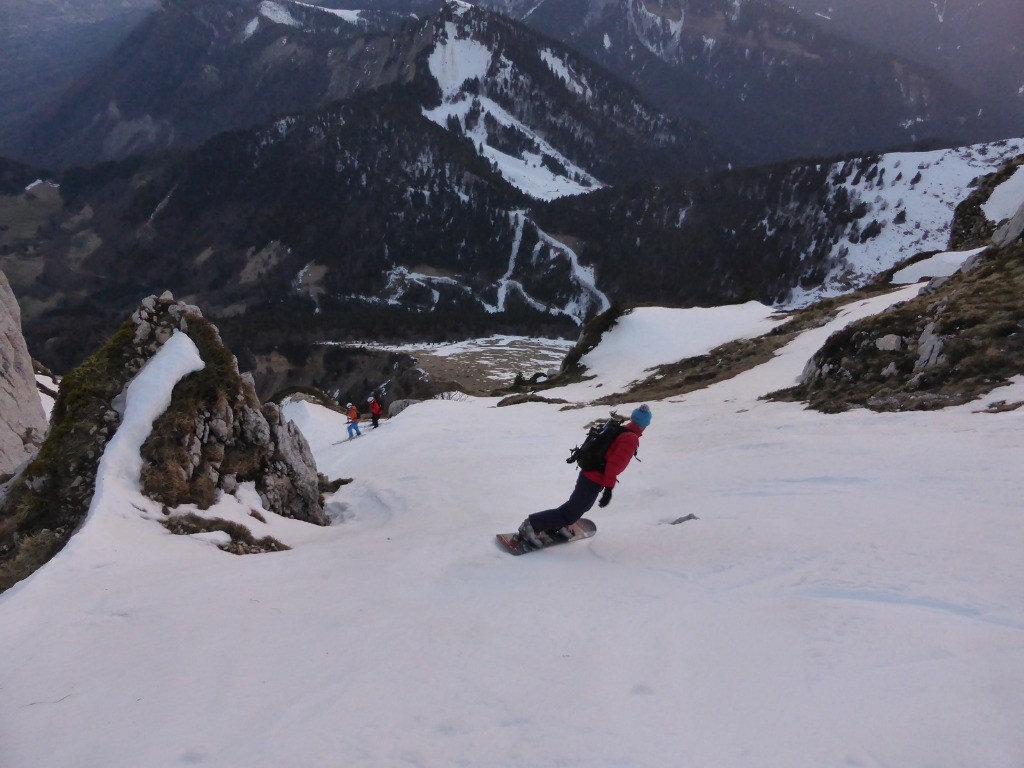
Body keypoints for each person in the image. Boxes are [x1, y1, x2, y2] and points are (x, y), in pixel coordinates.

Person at [518, 404, 652, 546]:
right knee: (574, 510)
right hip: (593, 477)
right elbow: (614, 465)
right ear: (645, 424)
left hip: (591, 474)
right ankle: (532, 525)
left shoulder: (622, 430)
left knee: (580, 506)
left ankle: (556, 525)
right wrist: (609, 489)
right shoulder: (630, 438)